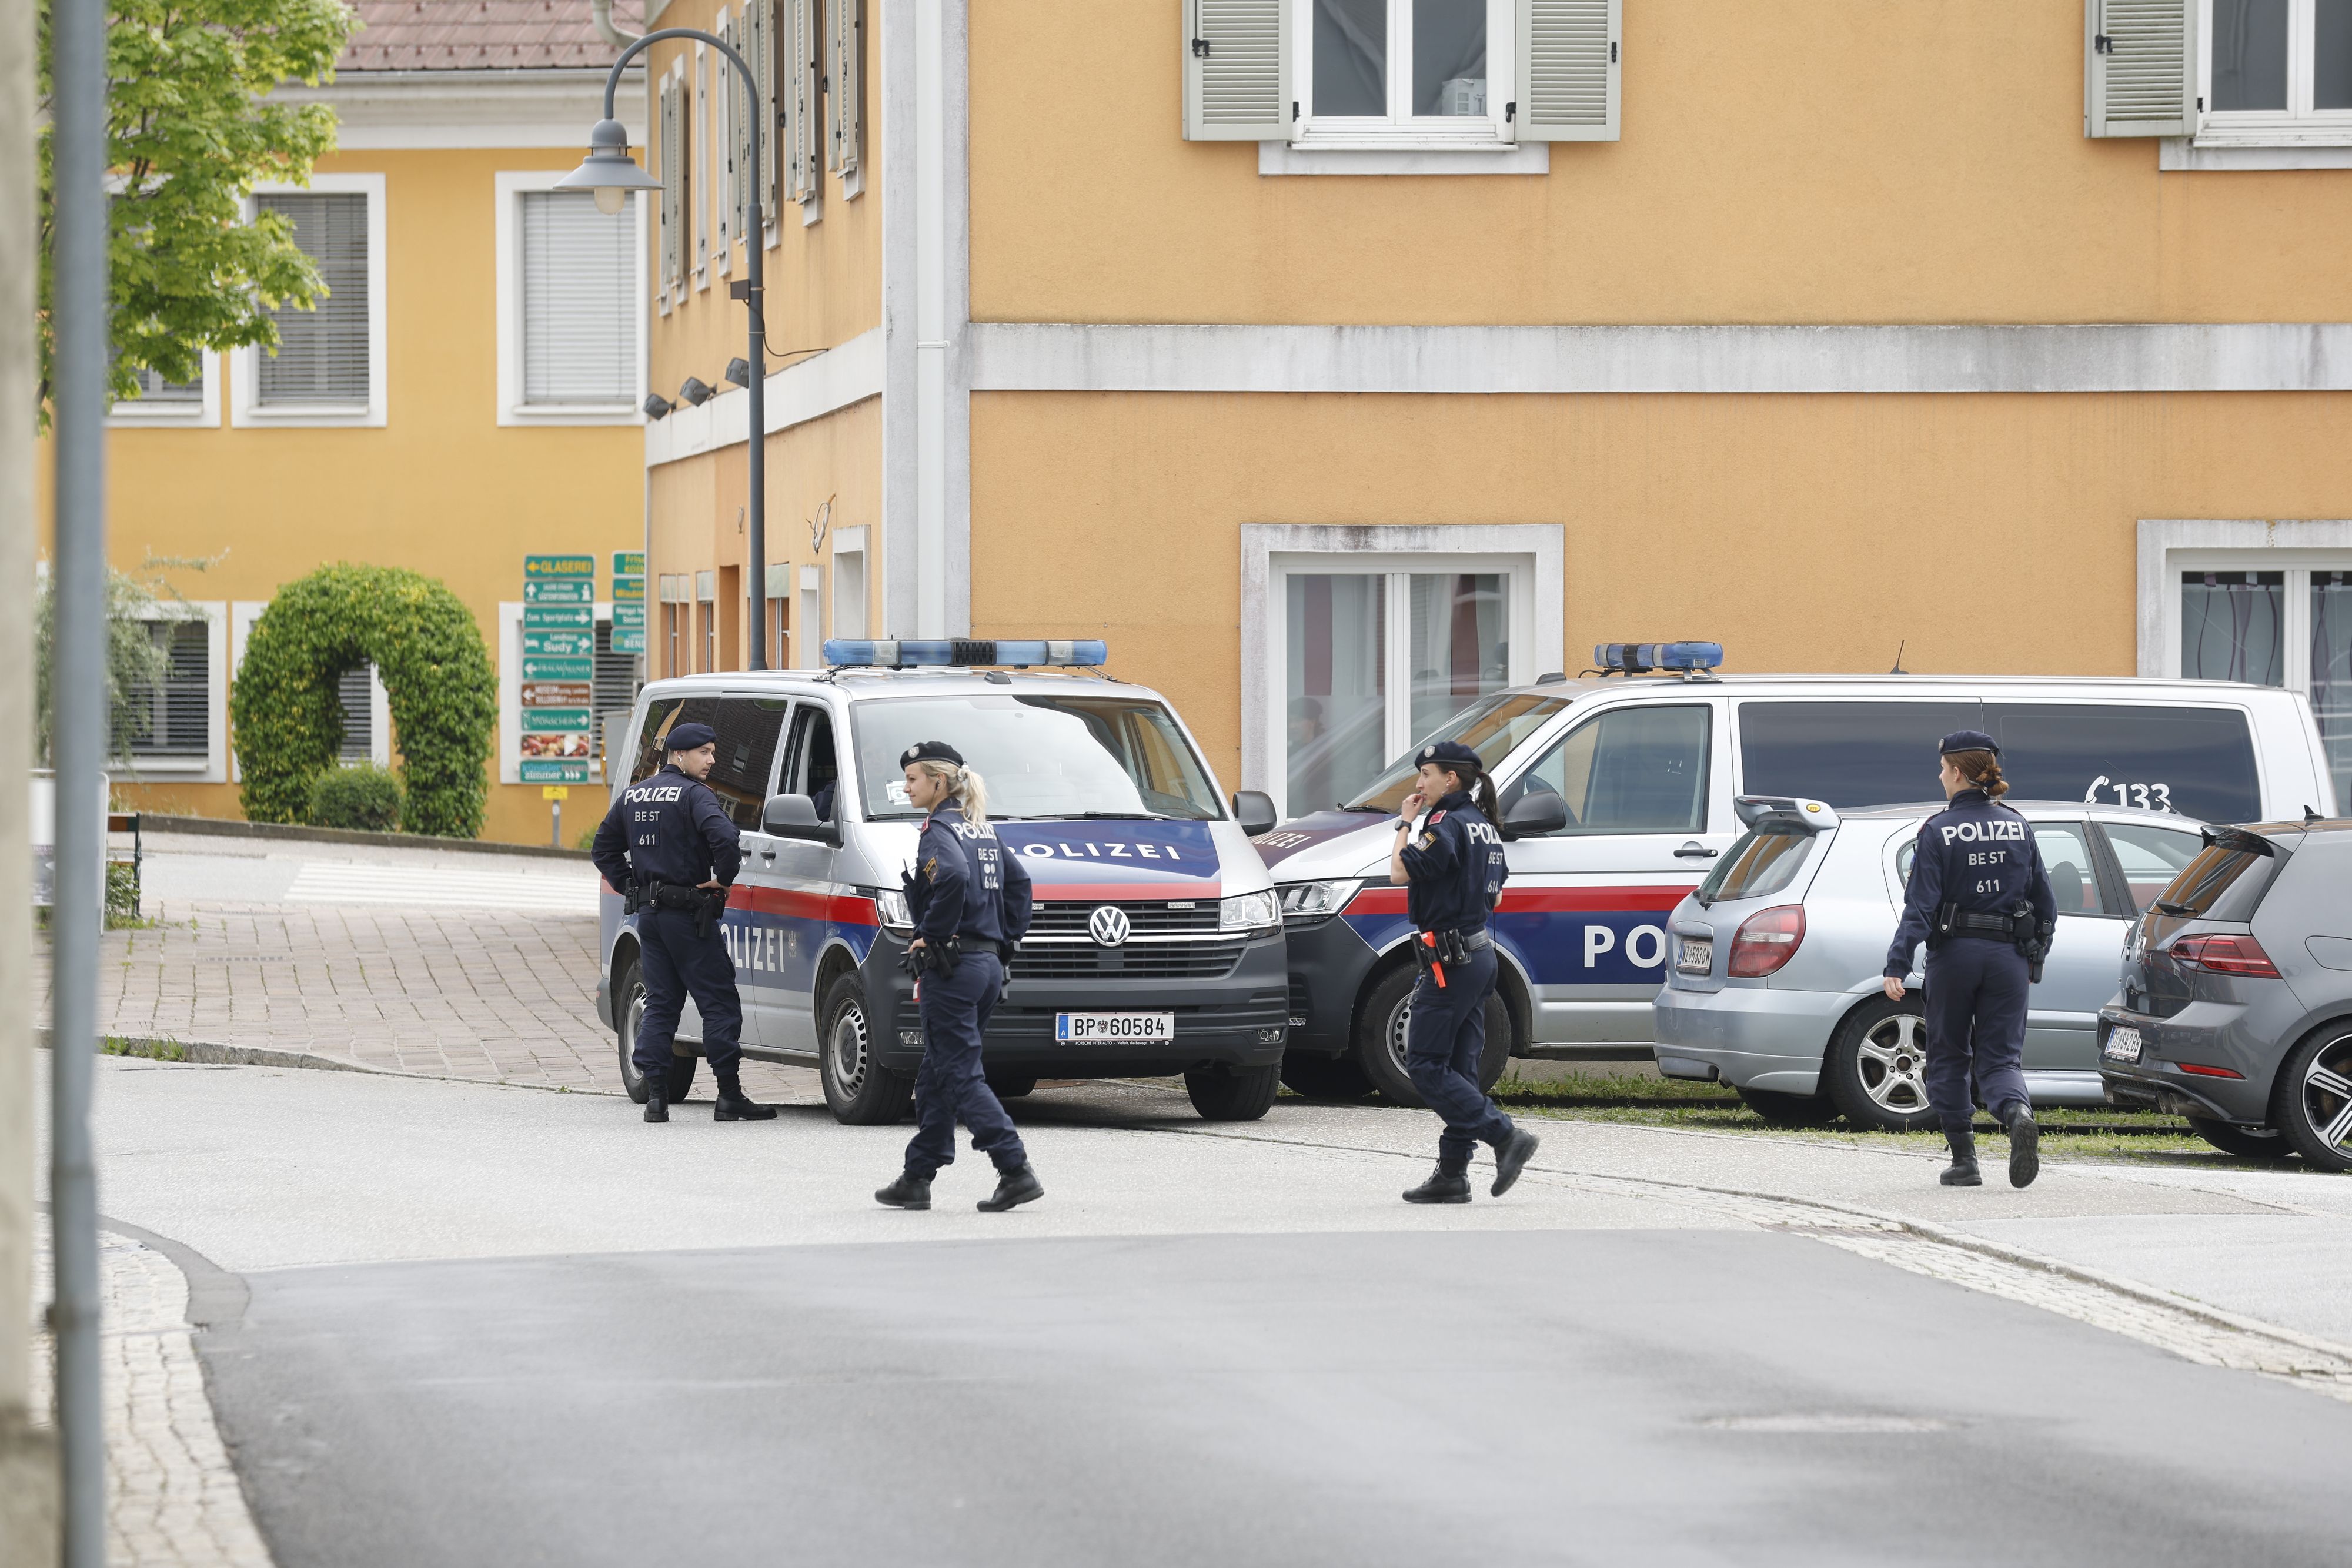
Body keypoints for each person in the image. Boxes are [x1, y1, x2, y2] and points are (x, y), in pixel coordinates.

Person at [874, 741, 1043, 1213]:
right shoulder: (980, 829)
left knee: (961, 1074)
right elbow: (1021, 885)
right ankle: (918, 1174)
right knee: (937, 1071)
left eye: (912, 779)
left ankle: (1014, 1168)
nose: (905, 787)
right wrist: (1002, 944)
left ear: (939, 783)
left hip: (954, 967)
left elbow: (949, 878)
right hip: (985, 966)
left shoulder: (939, 831)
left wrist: (930, 935)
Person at [1882, 730, 2056, 1188]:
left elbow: (1919, 907)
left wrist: (1897, 963)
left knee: (1949, 1054)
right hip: (2008, 960)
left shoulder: (1938, 831)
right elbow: (2046, 904)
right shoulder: (2019, 826)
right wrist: (2034, 958)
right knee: (2001, 1059)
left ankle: (1965, 1160)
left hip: (1955, 956)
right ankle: (2017, 1112)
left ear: (1958, 772)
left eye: (1943, 768)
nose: (1940, 776)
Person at [590, 722, 777, 1126]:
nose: (712, 760)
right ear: (679, 754)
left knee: (662, 1001)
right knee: (718, 1001)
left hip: (651, 918)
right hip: (690, 917)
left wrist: (631, 885)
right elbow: (726, 840)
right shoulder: (695, 795)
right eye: (705, 752)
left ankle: (656, 1097)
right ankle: (729, 1096)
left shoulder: (635, 794)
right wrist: (723, 880)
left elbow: (602, 847)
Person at [1387, 740, 1541, 1205]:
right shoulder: (1484, 827)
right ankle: (1452, 1174)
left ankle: (1505, 1136)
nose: (1419, 784)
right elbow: (1496, 892)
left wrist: (1404, 824)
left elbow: (1398, 872)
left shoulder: (1447, 825)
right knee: (1459, 1069)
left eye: (1426, 774)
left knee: (1425, 1065)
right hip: (1478, 957)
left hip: (1450, 964)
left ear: (1450, 778)